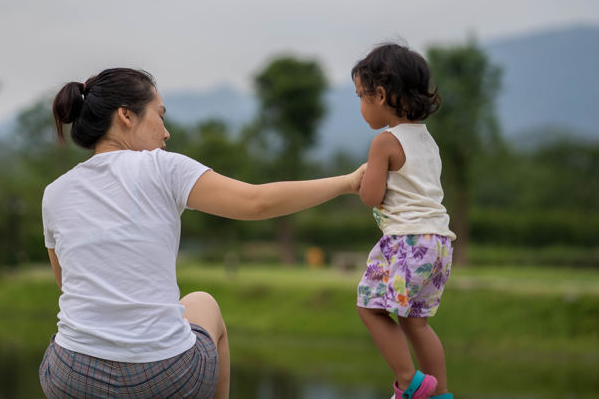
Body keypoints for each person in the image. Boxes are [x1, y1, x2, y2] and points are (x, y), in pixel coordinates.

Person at [38, 67, 366, 399]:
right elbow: (257, 203)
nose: (165, 133)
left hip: (71, 375)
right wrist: (349, 182)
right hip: (162, 375)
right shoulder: (161, 166)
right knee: (202, 301)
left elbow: (67, 283)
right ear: (126, 115)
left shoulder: (54, 193)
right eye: (159, 116)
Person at [352, 43, 455, 399]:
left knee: (369, 307)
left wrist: (364, 177)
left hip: (406, 241)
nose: (361, 108)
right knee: (417, 322)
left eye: (361, 97)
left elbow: (370, 196)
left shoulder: (385, 142)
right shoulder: (428, 140)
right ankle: (440, 393)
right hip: (439, 243)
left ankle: (410, 382)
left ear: (380, 95)